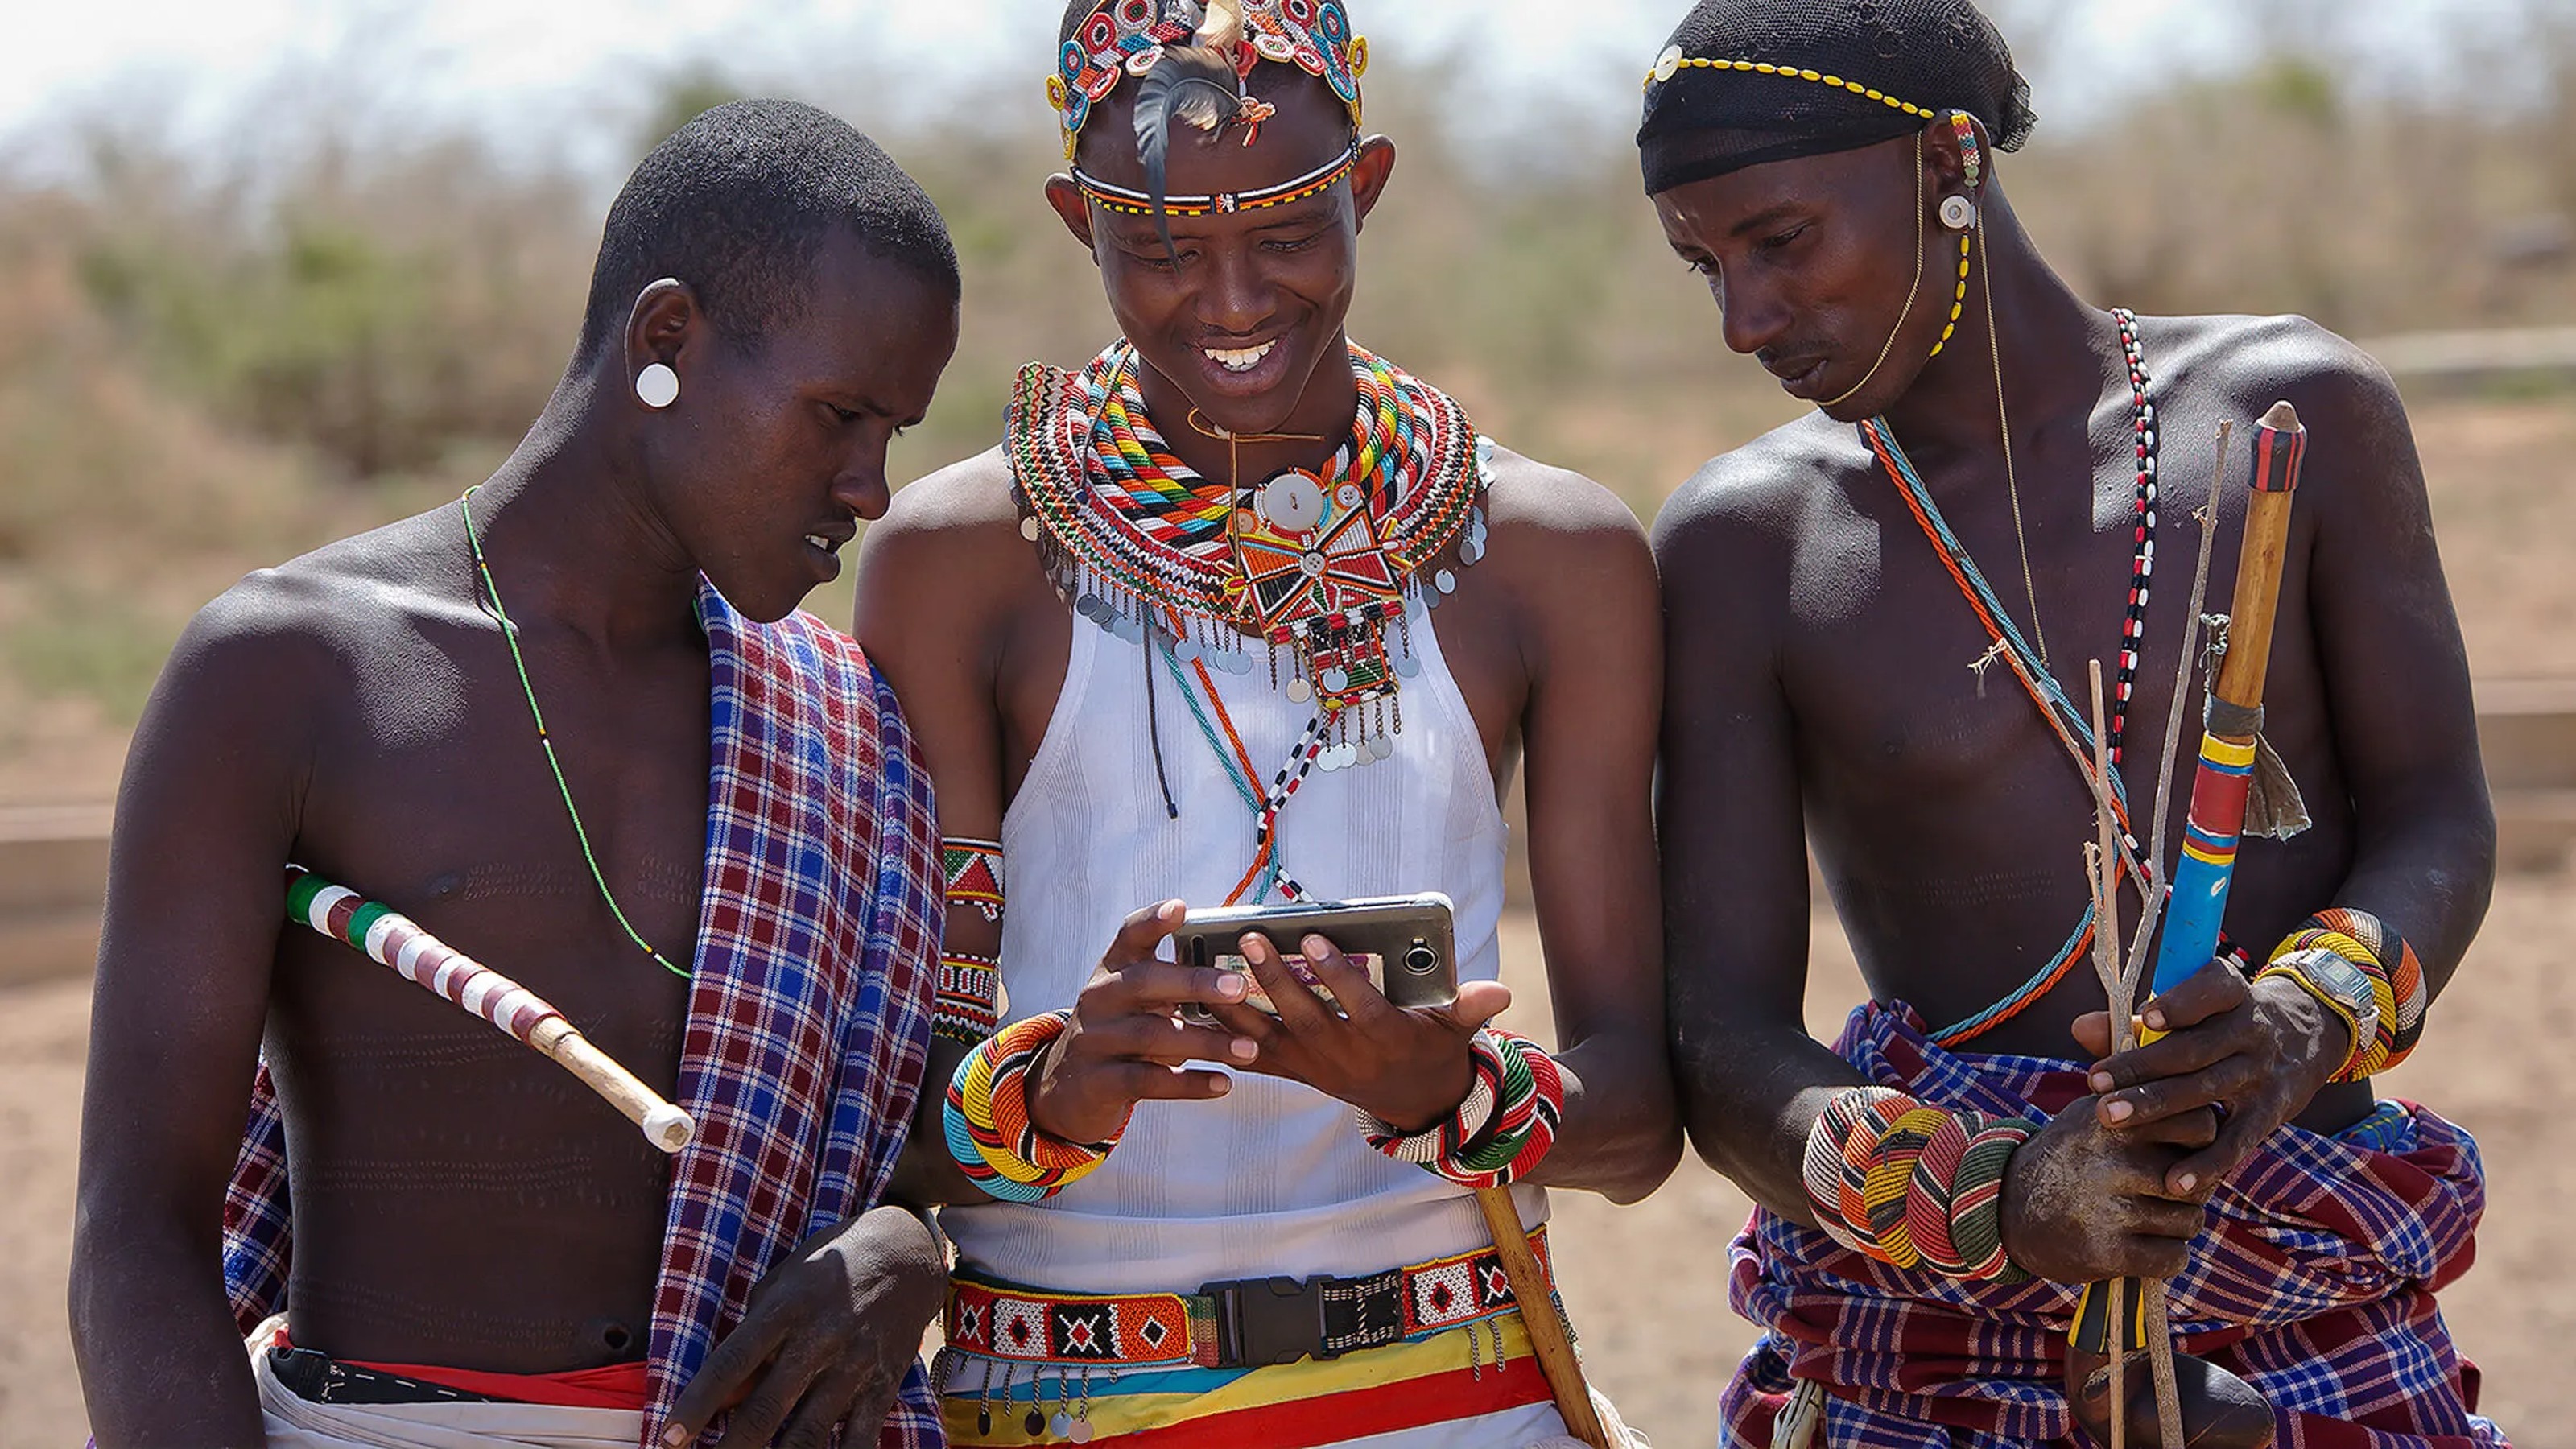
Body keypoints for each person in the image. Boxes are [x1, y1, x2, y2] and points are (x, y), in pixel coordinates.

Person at [1641, 2, 2504, 1446]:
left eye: (1779, 241)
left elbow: (2437, 820)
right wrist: (2000, 1201)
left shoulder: (2288, 417)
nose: (1744, 318)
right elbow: (1722, 1046)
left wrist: (2293, 1029)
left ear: (1944, 160)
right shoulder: (1750, 546)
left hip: (2310, 1263)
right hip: (1930, 1312)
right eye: (1700, 265)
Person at [70, 99, 963, 1449]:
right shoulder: (291, 674)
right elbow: (137, 1232)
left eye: (894, 431)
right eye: (840, 415)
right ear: (665, 342)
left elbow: (894, 1120)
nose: (872, 486)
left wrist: (904, 1249)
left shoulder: (844, 723)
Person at [853, 2, 1678, 1443]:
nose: (1229, 301)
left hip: (1456, 1384)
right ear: (1076, 223)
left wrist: (1451, 1093)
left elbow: (1637, 1127)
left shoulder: (1550, 559)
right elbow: (895, 1120)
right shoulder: (958, 565)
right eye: (1163, 250)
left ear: (1365, 189)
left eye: (1290, 233)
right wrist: (1044, 1098)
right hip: (1060, 1392)